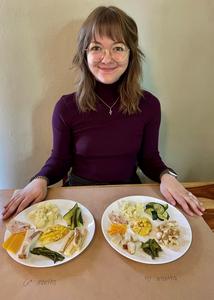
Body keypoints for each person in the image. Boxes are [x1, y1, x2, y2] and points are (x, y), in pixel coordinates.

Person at [2, 6, 204, 220]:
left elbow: (149, 158)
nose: (107, 59)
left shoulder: (149, 105)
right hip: (79, 198)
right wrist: (39, 180)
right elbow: (60, 160)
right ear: (85, 53)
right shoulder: (66, 107)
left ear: (131, 54)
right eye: (97, 47)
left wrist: (167, 176)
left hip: (129, 200)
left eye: (118, 48)